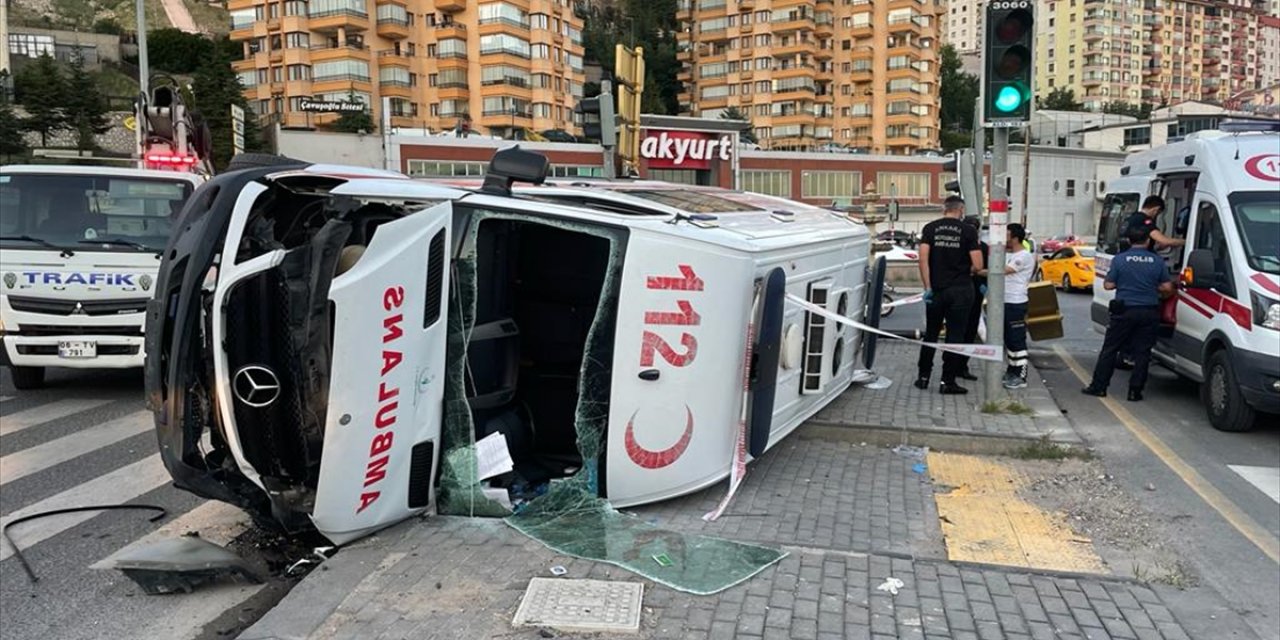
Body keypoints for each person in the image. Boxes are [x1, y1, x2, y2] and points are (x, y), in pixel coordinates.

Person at [1082, 226, 1175, 401]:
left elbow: (1108, 285)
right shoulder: (1157, 261)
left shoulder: (1120, 260)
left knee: (1110, 349)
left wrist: (1125, 284)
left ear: (1129, 241)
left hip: (1124, 310)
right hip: (1149, 310)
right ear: (1148, 241)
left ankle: (1099, 387)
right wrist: (1153, 289)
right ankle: (1135, 391)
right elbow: (1167, 288)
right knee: (1143, 353)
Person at [915, 195, 984, 394]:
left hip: (936, 290)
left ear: (944, 209)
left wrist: (928, 287)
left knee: (931, 334)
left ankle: (923, 377)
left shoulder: (930, 228)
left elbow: (923, 261)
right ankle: (948, 381)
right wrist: (967, 269)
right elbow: (978, 265)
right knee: (955, 336)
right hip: (961, 290)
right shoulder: (968, 231)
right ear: (960, 210)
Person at [997, 224, 1036, 389]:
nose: (1003, 239)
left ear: (1014, 238)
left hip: (1016, 302)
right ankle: (1012, 370)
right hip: (1004, 301)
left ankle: (1020, 376)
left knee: (1017, 340)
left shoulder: (1024, 256)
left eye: (1005, 235)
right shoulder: (1008, 255)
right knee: (1008, 340)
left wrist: (978, 271)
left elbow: (1002, 271)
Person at [956, 215, 988, 381]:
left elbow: (988, 268)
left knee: (968, 332)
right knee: (958, 332)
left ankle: (962, 366)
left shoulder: (983, 247)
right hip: (960, 291)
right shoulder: (957, 246)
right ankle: (954, 366)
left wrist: (983, 282)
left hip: (975, 293)